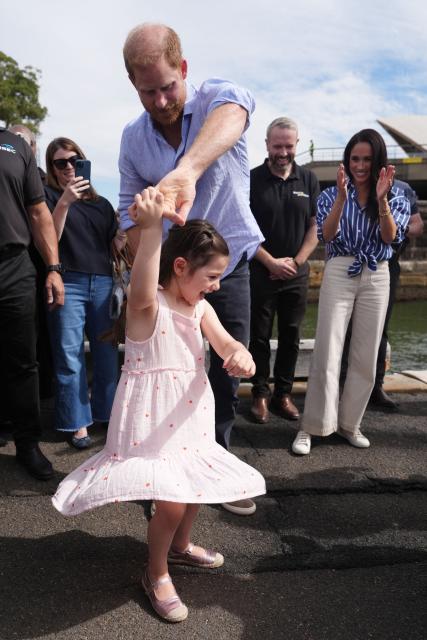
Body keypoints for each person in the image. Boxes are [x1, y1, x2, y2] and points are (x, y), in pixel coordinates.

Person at [52, 187, 266, 622]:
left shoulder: (200, 307)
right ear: (181, 266)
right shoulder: (146, 307)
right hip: (150, 420)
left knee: (194, 486)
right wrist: (151, 229)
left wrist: (240, 355)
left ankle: (182, 545)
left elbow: (226, 343)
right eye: (211, 276)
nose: (216, 285)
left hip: (189, 412)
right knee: (170, 498)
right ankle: (156, 572)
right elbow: (145, 279)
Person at [118, 23, 263, 516]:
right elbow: (128, 218)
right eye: (147, 91)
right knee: (158, 380)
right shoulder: (132, 140)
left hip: (228, 270)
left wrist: (186, 171)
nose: (160, 101)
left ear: (184, 70)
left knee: (223, 376)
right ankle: (155, 476)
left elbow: (236, 112)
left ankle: (214, 465)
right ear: (133, 86)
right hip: (168, 281)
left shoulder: (219, 100)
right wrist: (148, 232)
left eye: (167, 86)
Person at [292, 129, 411, 455]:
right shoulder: (332, 195)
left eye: (366, 159)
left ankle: (349, 424)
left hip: (377, 273)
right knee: (328, 350)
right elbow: (327, 235)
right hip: (341, 269)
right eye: (355, 158)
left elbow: (389, 238)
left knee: (366, 354)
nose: (360, 165)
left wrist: (382, 198)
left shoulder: (396, 196)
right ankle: (311, 426)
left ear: (378, 161)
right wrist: (343, 199)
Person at [44, 137, 118, 448]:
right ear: (52, 168)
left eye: (75, 160)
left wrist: (126, 234)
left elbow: (114, 245)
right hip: (68, 282)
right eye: (61, 163)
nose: (69, 167)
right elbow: (50, 240)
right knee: (69, 356)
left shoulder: (102, 204)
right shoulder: (48, 197)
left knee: (106, 356)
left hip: (101, 282)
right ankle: (76, 423)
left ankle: (107, 415)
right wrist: (64, 202)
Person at [0, 126, 64, 479]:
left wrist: (53, 268)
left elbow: (39, 213)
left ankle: (27, 444)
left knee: (24, 362)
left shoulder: (14, 145)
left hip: (13, 265)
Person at [248, 117, 319, 424]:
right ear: (267, 145)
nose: (283, 152)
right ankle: (260, 394)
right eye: (277, 145)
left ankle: (283, 395)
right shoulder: (251, 178)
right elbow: (244, 230)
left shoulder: (309, 180)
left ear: (296, 145)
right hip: (261, 270)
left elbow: (316, 225)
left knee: (291, 335)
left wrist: (296, 262)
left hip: (296, 273)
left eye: (289, 146)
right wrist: (271, 262)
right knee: (259, 337)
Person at [341, 179, 424, 410]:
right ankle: (342, 384)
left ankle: (375, 386)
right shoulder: (353, 185)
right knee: (346, 327)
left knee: (380, 328)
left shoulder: (403, 189)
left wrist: (400, 228)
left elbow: (418, 225)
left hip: (387, 265)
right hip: (352, 264)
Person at [9, 124, 54, 399]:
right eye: (14, 140)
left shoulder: (46, 183)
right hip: (18, 263)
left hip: (39, 264)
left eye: (24, 141)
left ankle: (43, 394)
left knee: (40, 336)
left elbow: (44, 220)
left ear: (33, 148)